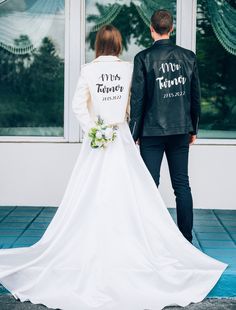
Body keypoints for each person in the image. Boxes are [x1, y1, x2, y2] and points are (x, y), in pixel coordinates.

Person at [0, 25, 227, 310]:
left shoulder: (87, 70)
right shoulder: (128, 69)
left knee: (90, 190)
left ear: (98, 44)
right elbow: (134, 103)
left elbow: (78, 106)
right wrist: (127, 125)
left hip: (97, 140)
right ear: (119, 44)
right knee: (129, 189)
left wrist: (93, 128)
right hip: (120, 137)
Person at [129, 9, 201, 243]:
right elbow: (195, 96)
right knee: (182, 185)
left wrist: (134, 132)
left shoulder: (143, 58)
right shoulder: (188, 57)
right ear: (172, 29)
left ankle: (148, 239)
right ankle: (186, 240)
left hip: (151, 131)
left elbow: (138, 99)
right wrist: (193, 128)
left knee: (149, 186)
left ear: (151, 29)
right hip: (180, 129)